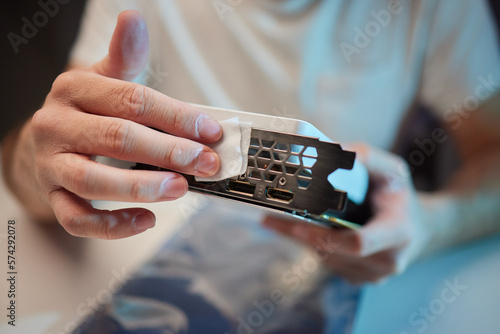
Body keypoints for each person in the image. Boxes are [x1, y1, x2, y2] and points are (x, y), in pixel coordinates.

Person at [2, 0, 500, 284]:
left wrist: (431, 224)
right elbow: (54, 161)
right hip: (151, 267)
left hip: (346, 276)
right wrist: (36, 161)